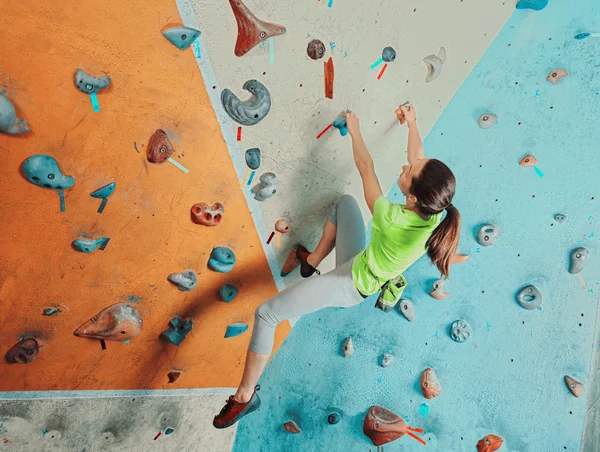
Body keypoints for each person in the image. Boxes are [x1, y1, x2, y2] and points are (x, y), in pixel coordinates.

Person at [213, 103, 462, 429]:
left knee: (267, 314)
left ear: (413, 198)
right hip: (360, 263)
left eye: (407, 174)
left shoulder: (393, 220)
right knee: (344, 204)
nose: (405, 166)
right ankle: (311, 261)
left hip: (350, 285)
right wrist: (412, 122)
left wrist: (354, 126)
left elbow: (364, 166)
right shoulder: (437, 210)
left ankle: (245, 397)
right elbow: (418, 157)